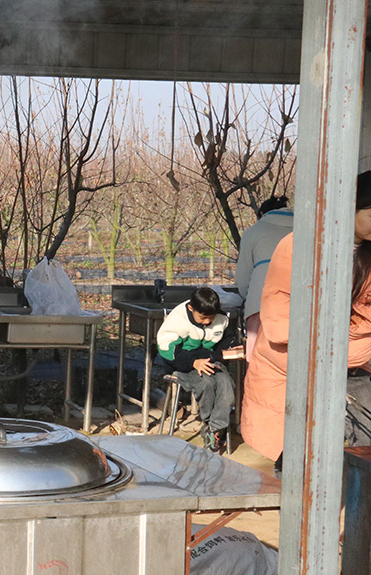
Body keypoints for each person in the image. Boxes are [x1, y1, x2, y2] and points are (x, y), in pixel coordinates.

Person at [243, 172, 371, 473]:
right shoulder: (301, 245)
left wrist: (339, 331)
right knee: (298, 456)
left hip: (349, 370)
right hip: (297, 367)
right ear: (350, 207)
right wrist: (349, 334)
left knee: (359, 460)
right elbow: (282, 320)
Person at [156, 287, 236, 453]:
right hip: (182, 366)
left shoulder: (221, 318)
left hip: (211, 362)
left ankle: (213, 429)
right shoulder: (177, 320)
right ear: (191, 308)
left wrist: (230, 350)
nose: (207, 322)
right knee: (206, 383)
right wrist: (193, 362)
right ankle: (211, 426)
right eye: (203, 318)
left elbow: (227, 341)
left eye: (211, 318)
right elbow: (167, 351)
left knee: (226, 385)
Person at [235, 196, 293, 359]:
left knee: (259, 360)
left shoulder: (253, 232)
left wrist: (247, 297)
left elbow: (243, 278)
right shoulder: (307, 228)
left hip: (261, 300)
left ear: (261, 213)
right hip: (300, 300)